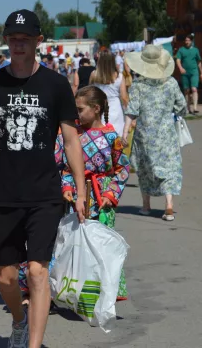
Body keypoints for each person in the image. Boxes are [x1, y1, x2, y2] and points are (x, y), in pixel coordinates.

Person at [0, 9, 87, 348]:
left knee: (38, 271)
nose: (18, 45)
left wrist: (81, 189)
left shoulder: (56, 84)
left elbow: (72, 141)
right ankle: (19, 320)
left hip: (45, 193)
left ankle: (34, 344)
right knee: (7, 276)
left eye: (25, 39)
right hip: (0, 193)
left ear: (37, 41)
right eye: (13, 39)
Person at [57, 85, 131, 300]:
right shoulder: (71, 135)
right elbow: (66, 166)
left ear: (96, 108)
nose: (76, 114)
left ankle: (108, 290)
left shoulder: (112, 138)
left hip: (101, 198)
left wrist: (111, 194)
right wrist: (68, 186)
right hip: (76, 200)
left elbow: (122, 168)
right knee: (76, 243)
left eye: (80, 110)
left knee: (101, 244)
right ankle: (80, 288)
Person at [122, 44, 187, 221]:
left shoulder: (138, 85)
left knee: (145, 168)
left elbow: (131, 111)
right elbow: (182, 107)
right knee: (169, 167)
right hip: (166, 133)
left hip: (144, 134)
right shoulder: (171, 83)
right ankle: (169, 205)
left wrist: (125, 132)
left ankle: (146, 205)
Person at [90, 51, 129, 134]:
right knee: (116, 135)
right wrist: (129, 114)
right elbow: (124, 97)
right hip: (115, 106)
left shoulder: (94, 74)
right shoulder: (119, 76)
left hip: (99, 106)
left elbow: (90, 92)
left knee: (100, 134)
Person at [175, 35, 202, 114]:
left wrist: (201, 73)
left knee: (194, 89)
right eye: (186, 40)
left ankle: (195, 107)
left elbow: (199, 62)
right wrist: (181, 68)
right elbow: (178, 60)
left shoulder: (195, 50)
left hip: (194, 72)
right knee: (187, 90)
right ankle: (188, 107)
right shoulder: (181, 50)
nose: (186, 42)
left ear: (191, 41)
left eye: (188, 40)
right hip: (185, 72)